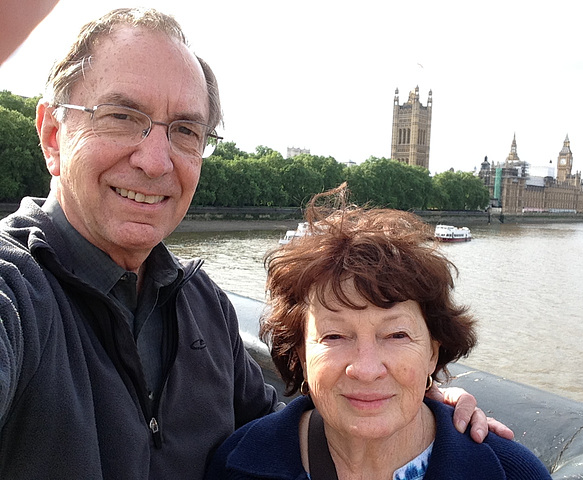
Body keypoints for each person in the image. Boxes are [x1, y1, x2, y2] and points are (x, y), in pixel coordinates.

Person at [0, 8, 508, 479]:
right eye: (122, 116)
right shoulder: (16, 290)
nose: (155, 160)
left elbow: (278, 434)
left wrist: (414, 406)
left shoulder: (203, 307)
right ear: (51, 135)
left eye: (185, 131)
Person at [207, 184, 552, 479]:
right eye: (335, 336)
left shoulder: (511, 472)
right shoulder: (237, 465)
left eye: (396, 335)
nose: (367, 369)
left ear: (433, 351)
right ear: (301, 354)